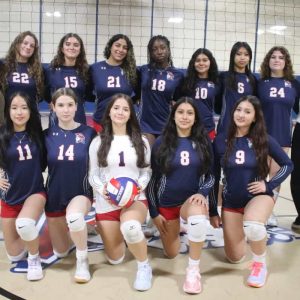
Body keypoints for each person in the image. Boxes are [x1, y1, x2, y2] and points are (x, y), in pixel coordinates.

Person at [211, 95, 293, 288]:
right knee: (234, 257)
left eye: (247, 111)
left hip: (258, 197)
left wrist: (269, 185)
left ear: (255, 117)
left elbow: (287, 164)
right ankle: (249, 234)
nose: (241, 114)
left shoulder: (263, 139)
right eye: (239, 110)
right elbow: (213, 176)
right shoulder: (222, 139)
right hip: (231, 201)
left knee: (254, 226)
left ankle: (259, 264)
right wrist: (213, 209)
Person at [147, 97, 215, 294]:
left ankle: (193, 270)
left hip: (191, 201)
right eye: (180, 112)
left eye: (190, 113)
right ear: (174, 116)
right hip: (166, 203)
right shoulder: (161, 142)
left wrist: (202, 193)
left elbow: (211, 176)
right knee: (171, 253)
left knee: (198, 220)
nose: (185, 117)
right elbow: (152, 180)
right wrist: (154, 212)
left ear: (195, 118)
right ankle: (179, 225)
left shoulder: (202, 142)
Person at [88, 93, 152, 291]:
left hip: (135, 200)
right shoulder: (98, 142)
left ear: (131, 113)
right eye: (116, 108)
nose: (120, 112)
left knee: (131, 228)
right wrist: (104, 190)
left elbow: (146, 172)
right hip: (107, 201)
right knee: (116, 259)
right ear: (109, 112)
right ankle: (113, 230)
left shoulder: (141, 141)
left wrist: (137, 188)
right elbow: (93, 175)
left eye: (125, 109)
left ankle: (144, 267)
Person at [44, 88, 96, 283]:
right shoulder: (46, 135)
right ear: (53, 107)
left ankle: (82, 260)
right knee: (61, 252)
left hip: (80, 193)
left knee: (74, 217)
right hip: (55, 195)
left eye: (70, 105)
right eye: (60, 105)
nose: (65, 110)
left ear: (77, 107)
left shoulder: (89, 133)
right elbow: (31, 165)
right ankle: (80, 229)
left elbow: (99, 166)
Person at [0, 92, 46, 281]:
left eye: (24, 107)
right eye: (14, 107)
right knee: (15, 254)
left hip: (34, 193)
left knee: (25, 224)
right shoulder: (2, 135)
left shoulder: (38, 135)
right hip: (9, 197)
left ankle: (35, 259)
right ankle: (31, 237)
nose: (19, 112)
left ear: (30, 111)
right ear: (8, 110)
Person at [258, 46, 300, 226]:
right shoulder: (260, 83)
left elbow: (298, 110)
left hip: (282, 137)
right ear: (268, 61)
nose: (276, 60)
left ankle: (269, 211)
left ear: (286, 62)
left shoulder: (294, 84)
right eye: (273, 57)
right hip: (261, 135)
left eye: (281, 57)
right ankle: (257, 210)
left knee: (276, 176)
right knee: (259, 176)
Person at [139, 35, 184, 146]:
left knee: (163, 161)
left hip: (166, 124)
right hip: (146, 124)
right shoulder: (143, 70)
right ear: (150, 52)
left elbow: (179, 100)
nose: (159, 52)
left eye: (163, 48)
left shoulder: (178, 75)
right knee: (147, 159)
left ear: (168, 49)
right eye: (155, 49)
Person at [90, 34, 138, 132]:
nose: (120, 50)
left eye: (125, 48)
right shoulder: (95, 68)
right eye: (117, 45)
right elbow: (87, 93)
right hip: (100, 120)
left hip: (123, 123)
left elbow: (137, 95)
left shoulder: (133, 71)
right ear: (110, 46)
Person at [44, 33, 94, 126]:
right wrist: (51, 101)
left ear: (80, 49)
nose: (72, 47)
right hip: (57, 120)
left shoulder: (85, 71)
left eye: (76, 45)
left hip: (78, 117)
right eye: (67, 44)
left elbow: (89, 94)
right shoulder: (50, 70)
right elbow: (44, 91)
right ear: (62, 48)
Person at [215, 41, 256, 136]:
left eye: (246, 55)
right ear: (232, 56)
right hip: (226, 126)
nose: (242, 57)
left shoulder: (252, 79)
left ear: (250, 58)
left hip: (245, 127)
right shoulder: (223, 77)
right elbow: (217, 105)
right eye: (238, 54)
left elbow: (254, 105)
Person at [181, 48, 220, 140]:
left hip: (208, 128)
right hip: (188, 128)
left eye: (205, 60)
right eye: (198, 60)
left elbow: (219, 106)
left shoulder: (217, 82)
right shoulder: (186, 82)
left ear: (211, 62)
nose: (201, 63)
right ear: (193, 63)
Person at [0, 31, 44, 106]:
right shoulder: (3, 65)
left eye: (32, 46)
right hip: (6, 114)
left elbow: (41, 95)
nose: (28, 47)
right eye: (25, 43)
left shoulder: (38, 69)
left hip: (31, 114)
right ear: (17, 44)